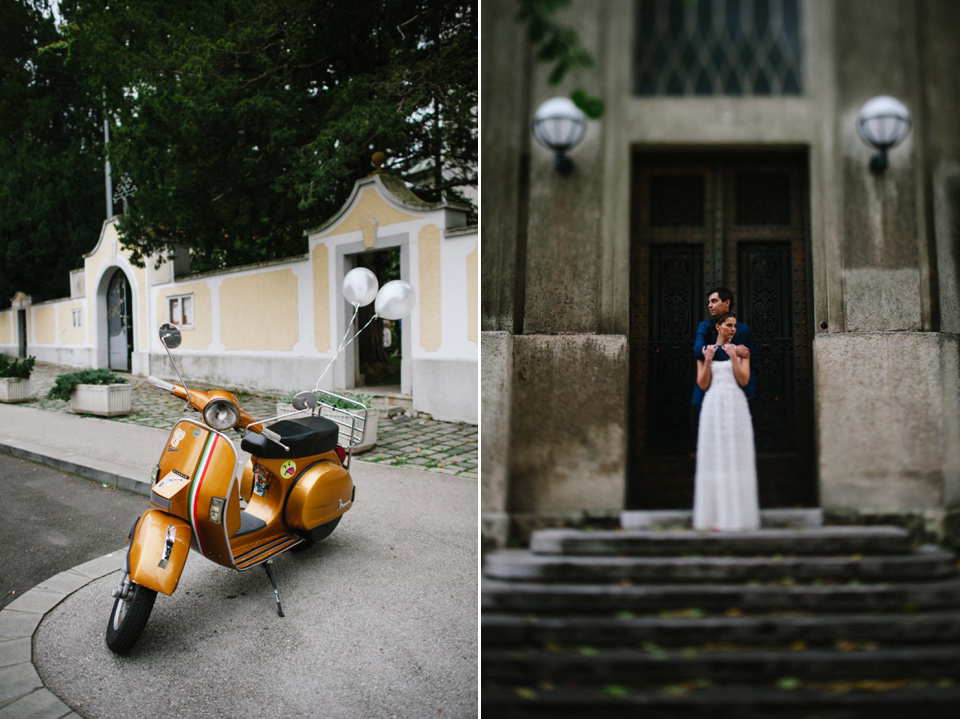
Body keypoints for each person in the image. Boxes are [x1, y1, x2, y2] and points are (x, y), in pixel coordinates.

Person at [693, 311, 760, 531]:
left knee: (735, 453)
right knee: (715, 454)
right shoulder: (706, 351)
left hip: (735, 403)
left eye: (734, 326)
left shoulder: (741, 352)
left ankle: (737, 515)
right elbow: (702, 384)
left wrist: (733, 357)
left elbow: (744, 379)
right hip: (713, 403)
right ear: (718, 328)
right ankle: (714, 514)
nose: (733, 329)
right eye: (728, 325)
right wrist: (709, 359)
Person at [692, 288, 755, 411]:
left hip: (738, 393)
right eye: (709, 302)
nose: (710, 305)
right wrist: (734, 351)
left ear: (726, 303)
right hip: (706, 393)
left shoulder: (743, 330)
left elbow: (752, 361)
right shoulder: (704, 327)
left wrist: (749, 391)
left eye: (714, 301)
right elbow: (698, 351)